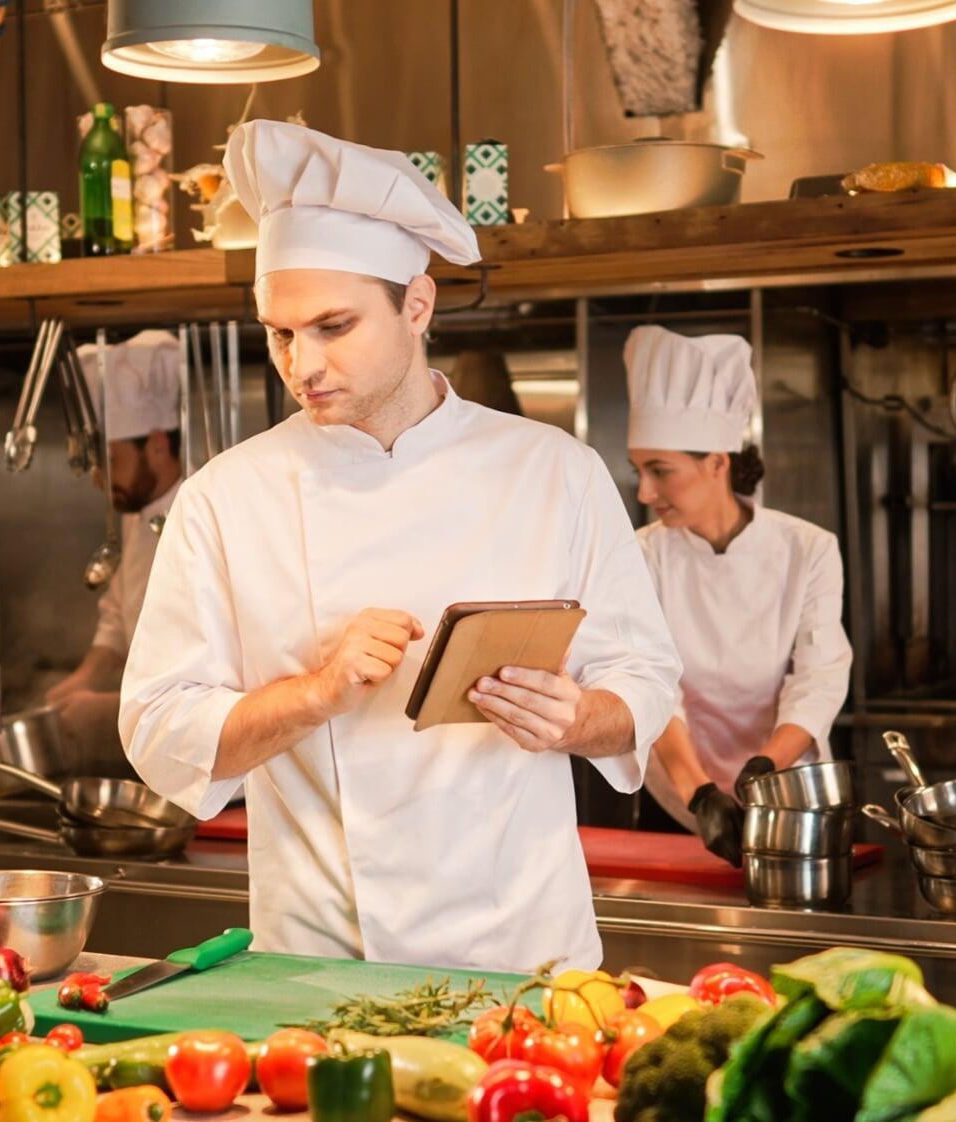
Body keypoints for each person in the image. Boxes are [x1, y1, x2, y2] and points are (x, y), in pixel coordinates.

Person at [119, 120, 682, 974]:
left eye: (333, 326)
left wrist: (575, 718)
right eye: (280, 333)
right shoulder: (224, 500)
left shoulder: (553, 472)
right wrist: (315, 693)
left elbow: (644, 681)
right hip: (319, 965)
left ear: (417, 306)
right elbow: (159, 732)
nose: (302, 365)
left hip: (521, 957)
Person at [624, 325, 852, 864]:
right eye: (639, 471)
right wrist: (700, 792)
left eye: (661, 471)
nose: (645, 492)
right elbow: (650, 684)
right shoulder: (639, 554)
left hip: (786, 789)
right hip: (678, 791)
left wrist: (764, 768)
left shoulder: (809, 549)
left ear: (717, 463)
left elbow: (818, 679)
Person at [46, 331, 184, 747]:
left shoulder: (205, 513)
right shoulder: (134, 515)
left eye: (110, 460)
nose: (98, 479)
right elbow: (118, 618)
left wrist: (108, 710)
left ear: (156, 445)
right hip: (152, 743)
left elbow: (217, 676)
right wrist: (83, 681)